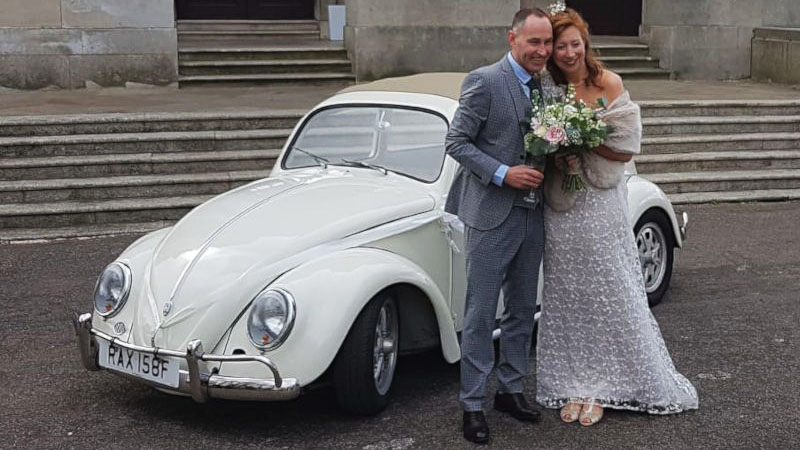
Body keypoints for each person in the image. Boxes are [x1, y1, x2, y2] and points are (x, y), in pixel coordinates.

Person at [534, 7, 699, 427]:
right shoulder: (545, 87)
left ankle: (611, 383)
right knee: (569, 292)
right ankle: (575, 381)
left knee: (610, 287)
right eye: (561, 46)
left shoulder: (608, 83)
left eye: (576, 44)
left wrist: (583, 139)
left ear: (585, 44)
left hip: (600, 202)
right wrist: (556, 147)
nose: (569, 52)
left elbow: (626, 149)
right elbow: (535, 142)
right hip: (562, 205)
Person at [445, 8, 562, 444]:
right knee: (480, 312)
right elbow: (456, 142)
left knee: (521, 309)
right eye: (534, 42)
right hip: (491, 213)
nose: (542, 51)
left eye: (547, 43)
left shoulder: (548, 88)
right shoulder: (484, 81)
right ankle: (472, 403)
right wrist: (502, 173)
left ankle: (510, 390)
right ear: (512, 39)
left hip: (533, 213)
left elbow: (548, 142)